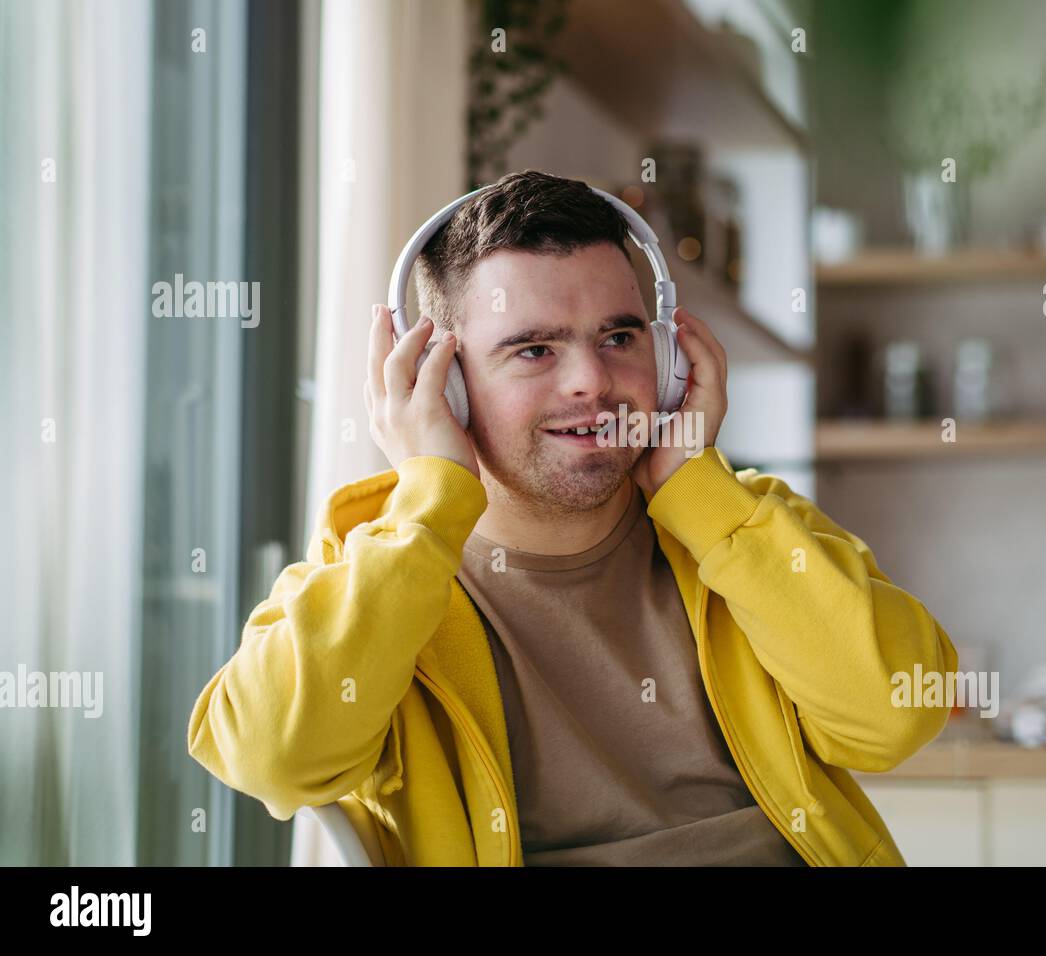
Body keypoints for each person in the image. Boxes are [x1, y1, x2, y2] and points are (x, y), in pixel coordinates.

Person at [187, 170, 959, 866]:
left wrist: (699, 493)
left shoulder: (741, 528)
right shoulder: (379, 569)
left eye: (619, 338)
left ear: (668, 363)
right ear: (441, 384)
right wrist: (428, 503)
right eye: (534, 350)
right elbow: (270, 758)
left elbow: (896, 717)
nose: (593, 381)